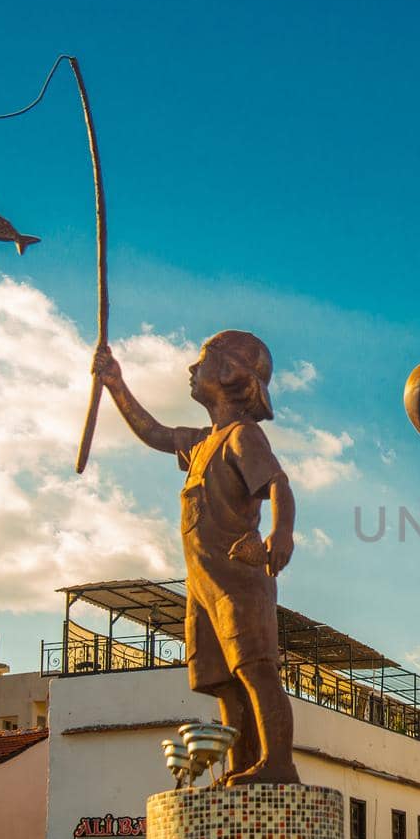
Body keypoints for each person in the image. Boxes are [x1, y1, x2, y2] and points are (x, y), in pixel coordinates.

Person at [92, 331, 300, 786]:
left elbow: (278, 485)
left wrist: (279, 533)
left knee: (256, 670)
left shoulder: (243, 437)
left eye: (201, 361)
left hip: (238, 579)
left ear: (227, 374)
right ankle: (244, 764)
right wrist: (116, 384)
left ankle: (278, 763)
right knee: (225, 682)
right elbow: (154, 433)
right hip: (203, 587)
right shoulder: (204, 442)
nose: (190, 369)